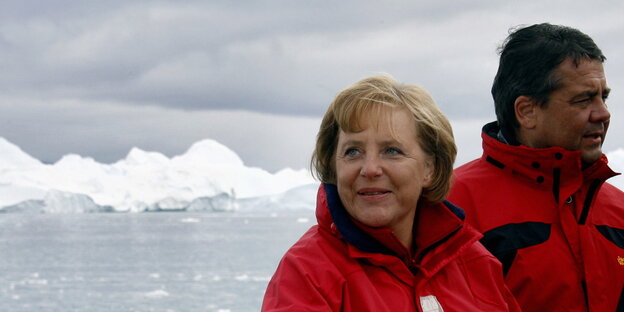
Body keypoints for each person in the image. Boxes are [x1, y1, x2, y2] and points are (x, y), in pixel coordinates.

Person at [262, 75, 520, 311]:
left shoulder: (475, 263)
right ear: (333, 166)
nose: (370, 169)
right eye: (353, 151)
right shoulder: (307, 273)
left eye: (392, 151)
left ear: (429, 168)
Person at [448, 23, 624, 312]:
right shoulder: (451, 210)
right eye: (583, 99)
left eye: (603, 97)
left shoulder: (619, 213)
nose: (603, 113)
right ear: (527, 111)